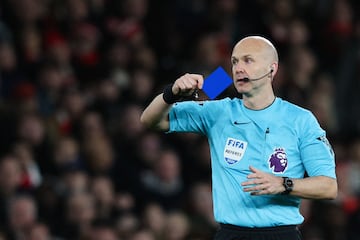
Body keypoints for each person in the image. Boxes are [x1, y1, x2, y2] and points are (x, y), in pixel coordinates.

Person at [140, 36, 337, 240]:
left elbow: (329, 187)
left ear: (272, 69)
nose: (238, 67)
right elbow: (149, 120)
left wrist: (284, 184)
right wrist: (171, 93)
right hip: (230, 233)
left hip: (281, 234)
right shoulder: (219, 107)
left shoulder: (300, 119)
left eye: (248, 60)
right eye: (234, 61)